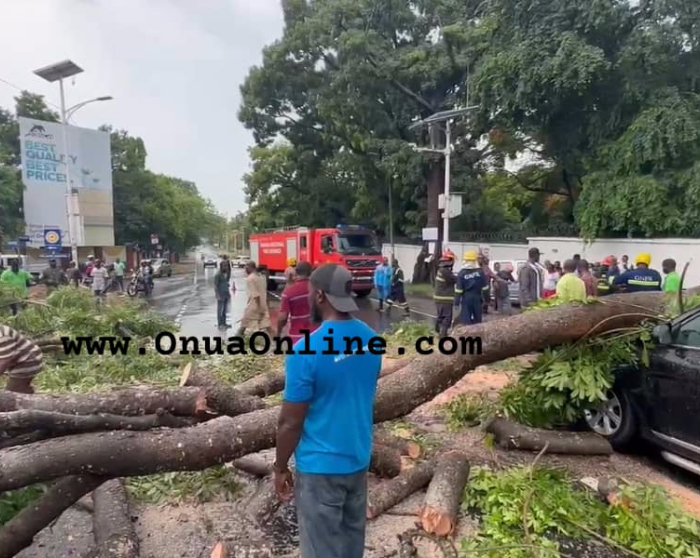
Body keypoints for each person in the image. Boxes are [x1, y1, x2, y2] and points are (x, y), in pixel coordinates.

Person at [274, 264, 380, 558]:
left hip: (319, 470)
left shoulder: (306, 350)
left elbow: (289, 423)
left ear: (319, 295)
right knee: (350, 547)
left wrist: (280, 467)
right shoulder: (372, 340)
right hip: (358, 460)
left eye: (310, 292)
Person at [278, 261, 318, 343]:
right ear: (310, 272)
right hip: (316, 334)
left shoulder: (288, 292)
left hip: (297, 337)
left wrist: (278, 333)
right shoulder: (318, 288)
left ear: (296, 272)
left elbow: (283, 317)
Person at [0, 324, 43, 394]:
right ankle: (26, 391)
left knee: (12, 392)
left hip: (27, 360)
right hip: (14, 359)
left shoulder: (2, 336)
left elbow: (4, 361)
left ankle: (28, 397)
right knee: (20, 388)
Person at [236, 261, 272, 336]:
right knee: (269, 328)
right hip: (263, 306)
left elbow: (256, 295)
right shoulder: (262, 277)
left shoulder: (250, 278)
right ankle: (278, 342)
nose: (245, 270)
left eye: (246, 268)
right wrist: (263, 307)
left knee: (243, 327)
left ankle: (235, 342)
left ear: (250, 267)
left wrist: (259, 308)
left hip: (254, 306)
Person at [455, 251, 487, 325]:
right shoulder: (480, 272)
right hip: (477, 297)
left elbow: (458, 290)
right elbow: (485, 288)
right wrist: (487, 299)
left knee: (466, 318)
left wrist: (456, 303)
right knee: (477, 318)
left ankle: (468, 334)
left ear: (465, 260)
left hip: (466, 297)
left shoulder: (462, 273)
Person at [434, 251, 457, 338]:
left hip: (439, 298)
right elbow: (455, 280)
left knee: (441, 316)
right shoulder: (446, 272)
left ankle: (438, 331)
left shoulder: (441, 270)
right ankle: (442, 335)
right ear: (450, 261)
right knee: (447, 318)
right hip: (445, 298)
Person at [214, 261, 231, 330]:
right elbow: (215, 286)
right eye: (224, 266)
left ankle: (224, 323)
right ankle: (220, 324)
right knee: (220, 310)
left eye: (226, 266)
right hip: (220, 294)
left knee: (225, 310)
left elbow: (226, 282)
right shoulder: (218, 274)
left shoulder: (227, 273)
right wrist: (217, 295)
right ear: (221, 266)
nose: (225, 267)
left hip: (226, 293)